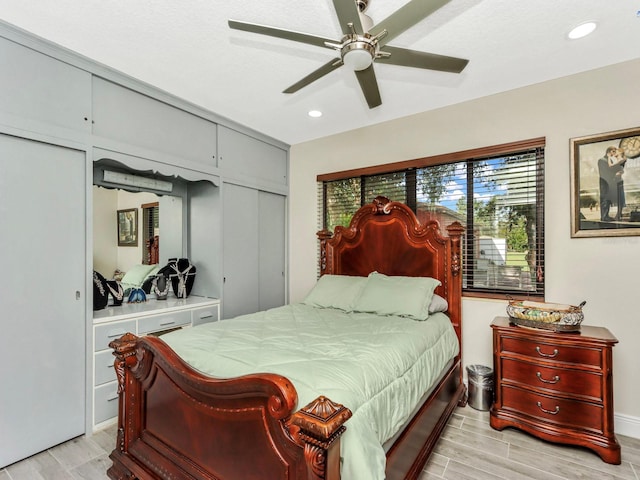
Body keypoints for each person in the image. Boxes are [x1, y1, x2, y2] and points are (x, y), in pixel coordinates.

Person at [598, 146, 626, 221]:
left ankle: (606, 216)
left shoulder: (610, 160)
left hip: (611, 183)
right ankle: (604, 216)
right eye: (614, 151)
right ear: (610, 151)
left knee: (608, 200)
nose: (614, 153)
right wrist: (615, 174)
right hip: (605, 184)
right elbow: (605, 172)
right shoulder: (602, 160)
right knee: (605, 200)